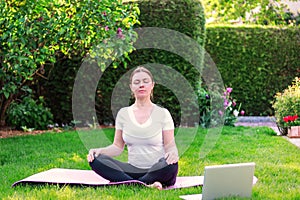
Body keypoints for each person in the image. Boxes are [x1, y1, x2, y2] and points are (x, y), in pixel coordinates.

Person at [87, 66, 179, 190]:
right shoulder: (123, 114)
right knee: (96, 160)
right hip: (133, 169)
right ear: (131, 87)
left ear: (152, 85)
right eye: (137, 82)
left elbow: (170, 145)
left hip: (158, 169)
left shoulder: (163, 113)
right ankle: (144, 184)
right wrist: (99, 151)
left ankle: (131, 183)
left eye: (145, 81)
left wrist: (173, 154)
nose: (141, 85)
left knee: (170, 165)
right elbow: (117, 147)